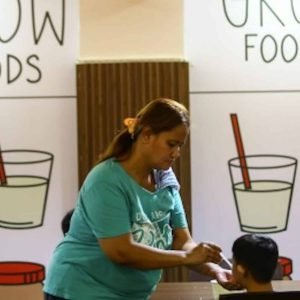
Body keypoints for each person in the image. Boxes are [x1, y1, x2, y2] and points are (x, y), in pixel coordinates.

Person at [44, 98, 237, 300]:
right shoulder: (106, 180)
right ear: (146, 135)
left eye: (180, 146)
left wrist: (214, 270)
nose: (176, 153)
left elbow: (183, 243)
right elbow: (120, 251)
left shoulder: (165, 180)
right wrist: (187, 257)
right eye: (171, 144)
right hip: (79, 291)